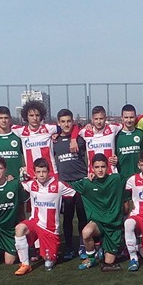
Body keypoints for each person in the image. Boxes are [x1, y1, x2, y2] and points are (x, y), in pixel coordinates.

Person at [13, 157, 77, 276]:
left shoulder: (59, 185)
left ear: (49, 172)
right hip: (35, 223)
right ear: (34, 173)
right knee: (19, 228)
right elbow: (18, 183)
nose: (41, 175)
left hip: (50, 229)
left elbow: (74, 192)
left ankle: (50, 255)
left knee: (49, 262)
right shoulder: (31, 184)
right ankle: (25, 264)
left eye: (44, 171)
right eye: (38, 172)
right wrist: (19, 175)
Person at [69, 154, 126, 272]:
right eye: (97, 167)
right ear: (92, 168)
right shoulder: (87, 183)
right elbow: (64, 184)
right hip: (98, 223)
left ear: (108, 167)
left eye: (103, 167)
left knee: (108, 263)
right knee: (86, 232)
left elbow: (135, 177)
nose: (100, 170)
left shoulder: (116, 179)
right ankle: (91, 258)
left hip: (114, 226)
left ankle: (108, 248)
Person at [53, 109, 89, 259]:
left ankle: (83, 245)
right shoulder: (54, 141)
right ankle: (68, 247)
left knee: (82, 216)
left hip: (80, 182)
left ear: (73, 122)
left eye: (69, 121)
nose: (66, 124)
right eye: (63, 121)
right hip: (65, 185)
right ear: (58, 123)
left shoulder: (80, 139)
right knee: (67, 217)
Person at [12, 100, 74, 176]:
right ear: (26, 116)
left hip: (50, 174)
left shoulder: (49, 129)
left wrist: (73, 139)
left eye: (37, 115)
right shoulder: (21, 131)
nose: (35, 118)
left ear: (41, 116)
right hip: (31, 175)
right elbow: (2, 126)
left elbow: (72, 127)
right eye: (31, 115)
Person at [80, 105, 122, 172]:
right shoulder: (85, 132)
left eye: (101, 118)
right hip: (93, 174)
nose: (99, 122)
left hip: (111, 173)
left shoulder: (112, 128)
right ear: (92, 119)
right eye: (96, 119)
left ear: (105, 118)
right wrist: (73, 139)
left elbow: (128, 123)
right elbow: (72, 129)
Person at [0, 106, 25, 178]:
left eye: (6, 118)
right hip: (0, 179)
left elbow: (26, 156)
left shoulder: (18, 136)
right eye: (1, 118)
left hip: (17, 178)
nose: (3, 120)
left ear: (10, 119)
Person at [115, 104, 143, 176]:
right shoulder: (116, 135)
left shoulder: (141, 133)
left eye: (131, 117)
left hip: (138, 176)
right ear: (122, 118)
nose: (129, 120)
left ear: (135, 117)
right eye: (126, 117)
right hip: (122, 176)